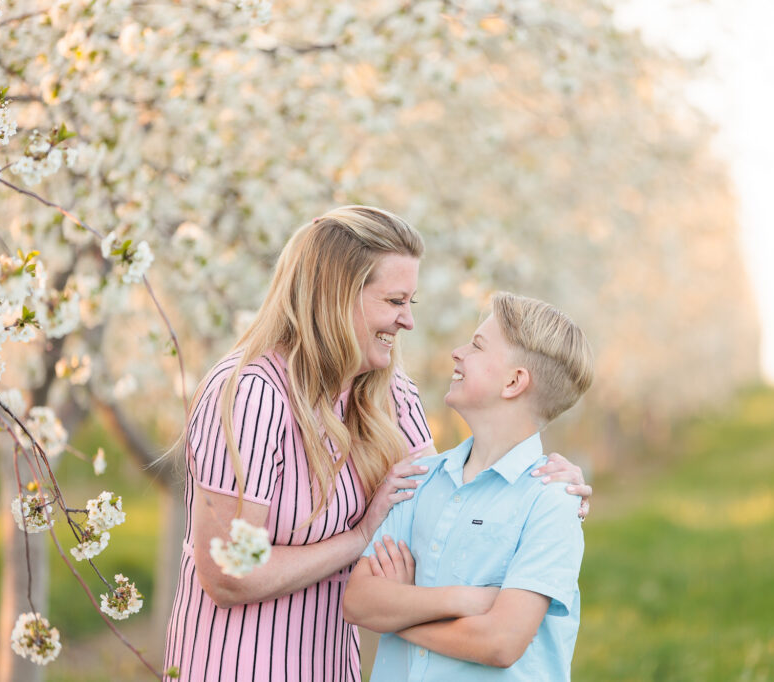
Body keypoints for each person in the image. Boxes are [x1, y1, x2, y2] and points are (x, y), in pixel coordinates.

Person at [162, 207, 590, 681]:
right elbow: (228, 574)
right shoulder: (252, 393)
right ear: (336, 297)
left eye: (412, 302)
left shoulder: (389, 394)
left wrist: (547, 482)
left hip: (332, 668)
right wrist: (360, 538)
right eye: (394, 300)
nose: (407, 320)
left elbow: (444, 499)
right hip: (240, 667)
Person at [343, 291, 593, 681]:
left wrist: (399, 612)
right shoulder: (420, 479)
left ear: (514, 381)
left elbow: (500, 642)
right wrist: (466, 601)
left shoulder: (551, 501)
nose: (457, 352)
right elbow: (359, 602)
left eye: (477, 345)